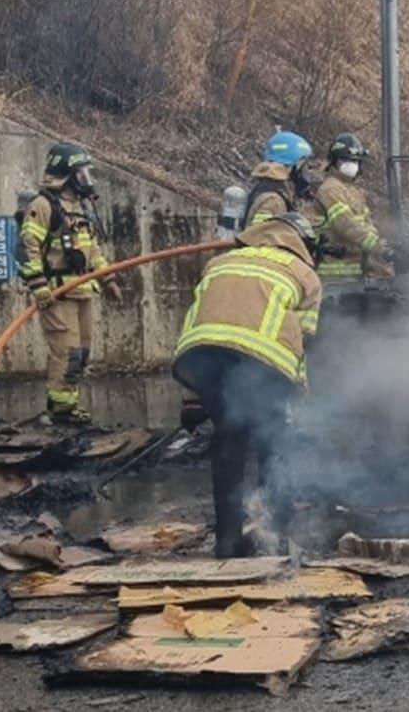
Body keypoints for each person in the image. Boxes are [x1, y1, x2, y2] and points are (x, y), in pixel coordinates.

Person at [173, 213, 322, 558]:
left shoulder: (219, 263)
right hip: (263, 361)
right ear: (301, 242)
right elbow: (303, 341)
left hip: (205, 357)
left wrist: (192, 399)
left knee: (228, 440)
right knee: (273, 441)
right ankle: (274, 534)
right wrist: (299, 399)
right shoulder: (305, 275)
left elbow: (199, 322)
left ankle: (227, 542)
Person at [17, 143, 122, 424]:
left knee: (82, 353)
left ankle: (69, 405)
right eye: (81, 173)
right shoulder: (43, 206)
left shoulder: (81, 208)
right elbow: (27, 246)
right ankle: (61, 411)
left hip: (83, 291)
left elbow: (93, 250)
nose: (87, 180)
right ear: (66, 175)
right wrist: (39, 286)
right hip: (57, 294)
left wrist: (108, 278)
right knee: (67, 354)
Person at [311, 133, 394, 282]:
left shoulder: (354, 192)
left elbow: (367, 224)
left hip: (354, 270)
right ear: (334, 161)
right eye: (345, 160)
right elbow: (346, 225)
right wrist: (375, 244)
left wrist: (381, 245)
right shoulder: (330, 189)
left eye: (354, 161)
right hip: (334, 273)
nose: (351, 165)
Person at [244, 131, 315, 227]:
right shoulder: (273, 201)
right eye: (304, 166)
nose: (306, 172)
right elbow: (262, 234)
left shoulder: (267, 187)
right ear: (294, 166)